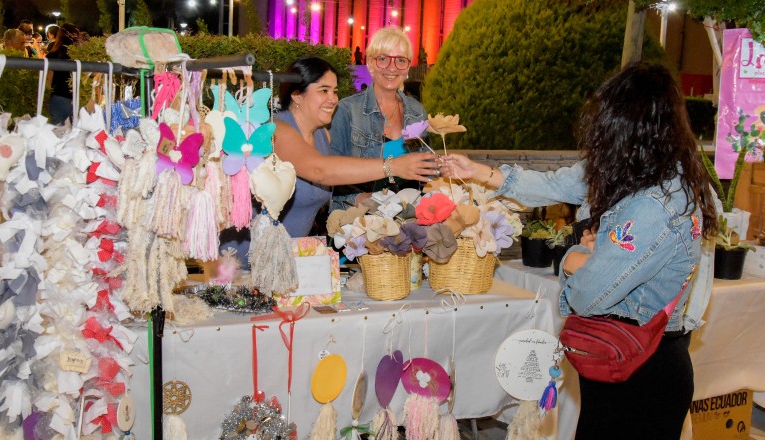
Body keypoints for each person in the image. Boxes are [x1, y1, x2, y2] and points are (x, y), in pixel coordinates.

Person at [443, 62, 718, 439]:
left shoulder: (655, 204)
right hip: (621, 354)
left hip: (642, 371)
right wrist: (479, 172)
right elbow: (557, 184)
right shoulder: (637, 167)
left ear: (628, 128)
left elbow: (588, 295)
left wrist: (576, 258)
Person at [219, 57, 438, 267]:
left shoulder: (323, 135)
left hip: (287, 264)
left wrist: (375, 200)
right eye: (323, 90)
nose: (333, 99)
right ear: (297, 95)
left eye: (334, 91)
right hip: (241, 263)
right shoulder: (277, 131)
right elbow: (319, 170)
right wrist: (394, 166)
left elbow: (340, 170)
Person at [329, 26, 427, 210]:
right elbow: (331, 172)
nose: (392, 67)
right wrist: (368, 202)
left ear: (408, 66)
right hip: (359, 217)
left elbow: (422, 168)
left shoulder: (417, 111)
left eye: (400, 60)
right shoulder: (347, 110)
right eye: (383, 59)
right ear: (370, 63)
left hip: (408, 216)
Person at [45, 23, 82, 125]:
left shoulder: (52, 55)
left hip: (58, 97)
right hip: (76, 99)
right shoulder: (80, 55)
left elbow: (48, 81)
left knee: (57, 131)